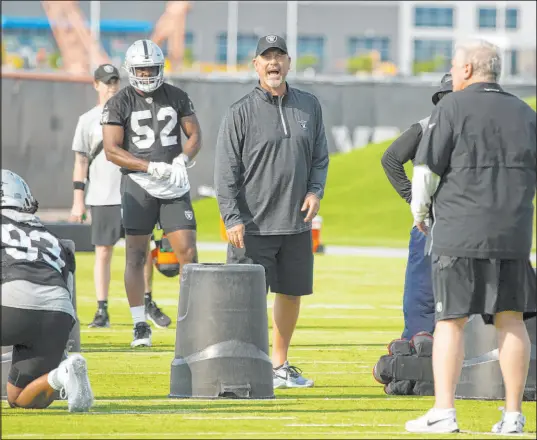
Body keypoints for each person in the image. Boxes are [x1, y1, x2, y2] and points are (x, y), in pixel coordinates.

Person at [406, 39, 536, 434]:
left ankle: (444, 411)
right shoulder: (525, 112)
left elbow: (426, 171)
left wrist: (421, 213)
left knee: (450, 321)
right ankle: (513, 415)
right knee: (511, 321)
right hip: (513, 234)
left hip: (460, 232)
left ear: (465, 70)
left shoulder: (451, 107)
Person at [215, 35, 329, 389]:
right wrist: (232, 217)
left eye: (279, 56)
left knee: (291, 293)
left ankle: (279, 366)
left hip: (296, 224)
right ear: (256, 65)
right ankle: (241, 367)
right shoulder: (240, 112)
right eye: (267, 57)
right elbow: (225, 173)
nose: (273, 62)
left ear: (289, 63)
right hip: (251, 227)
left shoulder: (309, 106)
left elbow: (319, 158)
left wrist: (315, 191)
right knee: (244, 302)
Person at [101, 39, 202, 348]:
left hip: (173, 182)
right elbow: (111, 150)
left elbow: (195, 133)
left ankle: (193, 321)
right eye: (140, 69)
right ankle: (139, 324)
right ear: (131, 70)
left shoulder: (177, 96)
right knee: (135, 254)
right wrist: (148, 167)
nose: (145, 74)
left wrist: (183, 159)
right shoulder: (118, 102)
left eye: (151, 68)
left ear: (161, 68)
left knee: (188, 252)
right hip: (140, 184)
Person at [69, 64, 172, 330]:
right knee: (103, 251)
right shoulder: (87, 120)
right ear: (96, 85)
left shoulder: (133, 111)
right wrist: (78, 199)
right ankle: (102, 310)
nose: (111, 87)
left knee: (144, 250)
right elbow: (81, 161)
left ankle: (148, 302)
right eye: (106, 82)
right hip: (103, 194)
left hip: (135, 192)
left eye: (115, 82)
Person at [1, 169, 94, 412]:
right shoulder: (50, 236)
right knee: (19, 397)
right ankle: (62, 376)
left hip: (12, 303)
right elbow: (67, 291)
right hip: (58, 313)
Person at [381, 73, 453, 340]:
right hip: (434, 226)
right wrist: (413, 199)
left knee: (426, 300)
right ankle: (418, 355)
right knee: (423, 299)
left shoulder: (429, 126)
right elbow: (390, 159)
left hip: (438, 226)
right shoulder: (426, 127)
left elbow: (390, 158)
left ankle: (422, 353)